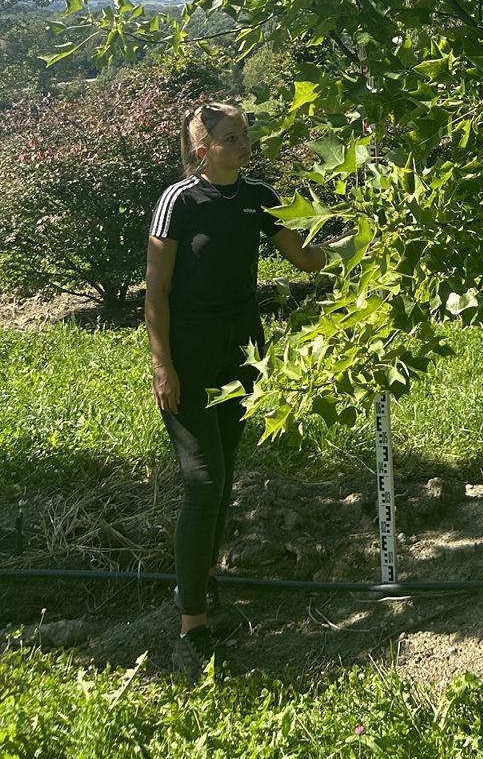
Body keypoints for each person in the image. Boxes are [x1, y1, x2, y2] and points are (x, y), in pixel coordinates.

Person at [145, 100, 356, 681]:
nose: (244, 144)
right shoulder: (179, 201)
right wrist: (164, 368)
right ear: (202, 148)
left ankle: (205, 591)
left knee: (225, 476)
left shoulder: (258, 197)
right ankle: (190, 628)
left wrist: (359, 242)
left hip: (243, 357)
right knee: (203, 480)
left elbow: (306, 259)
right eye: (232, 137)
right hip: (188, 360)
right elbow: (155, 295)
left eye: (246, 135)